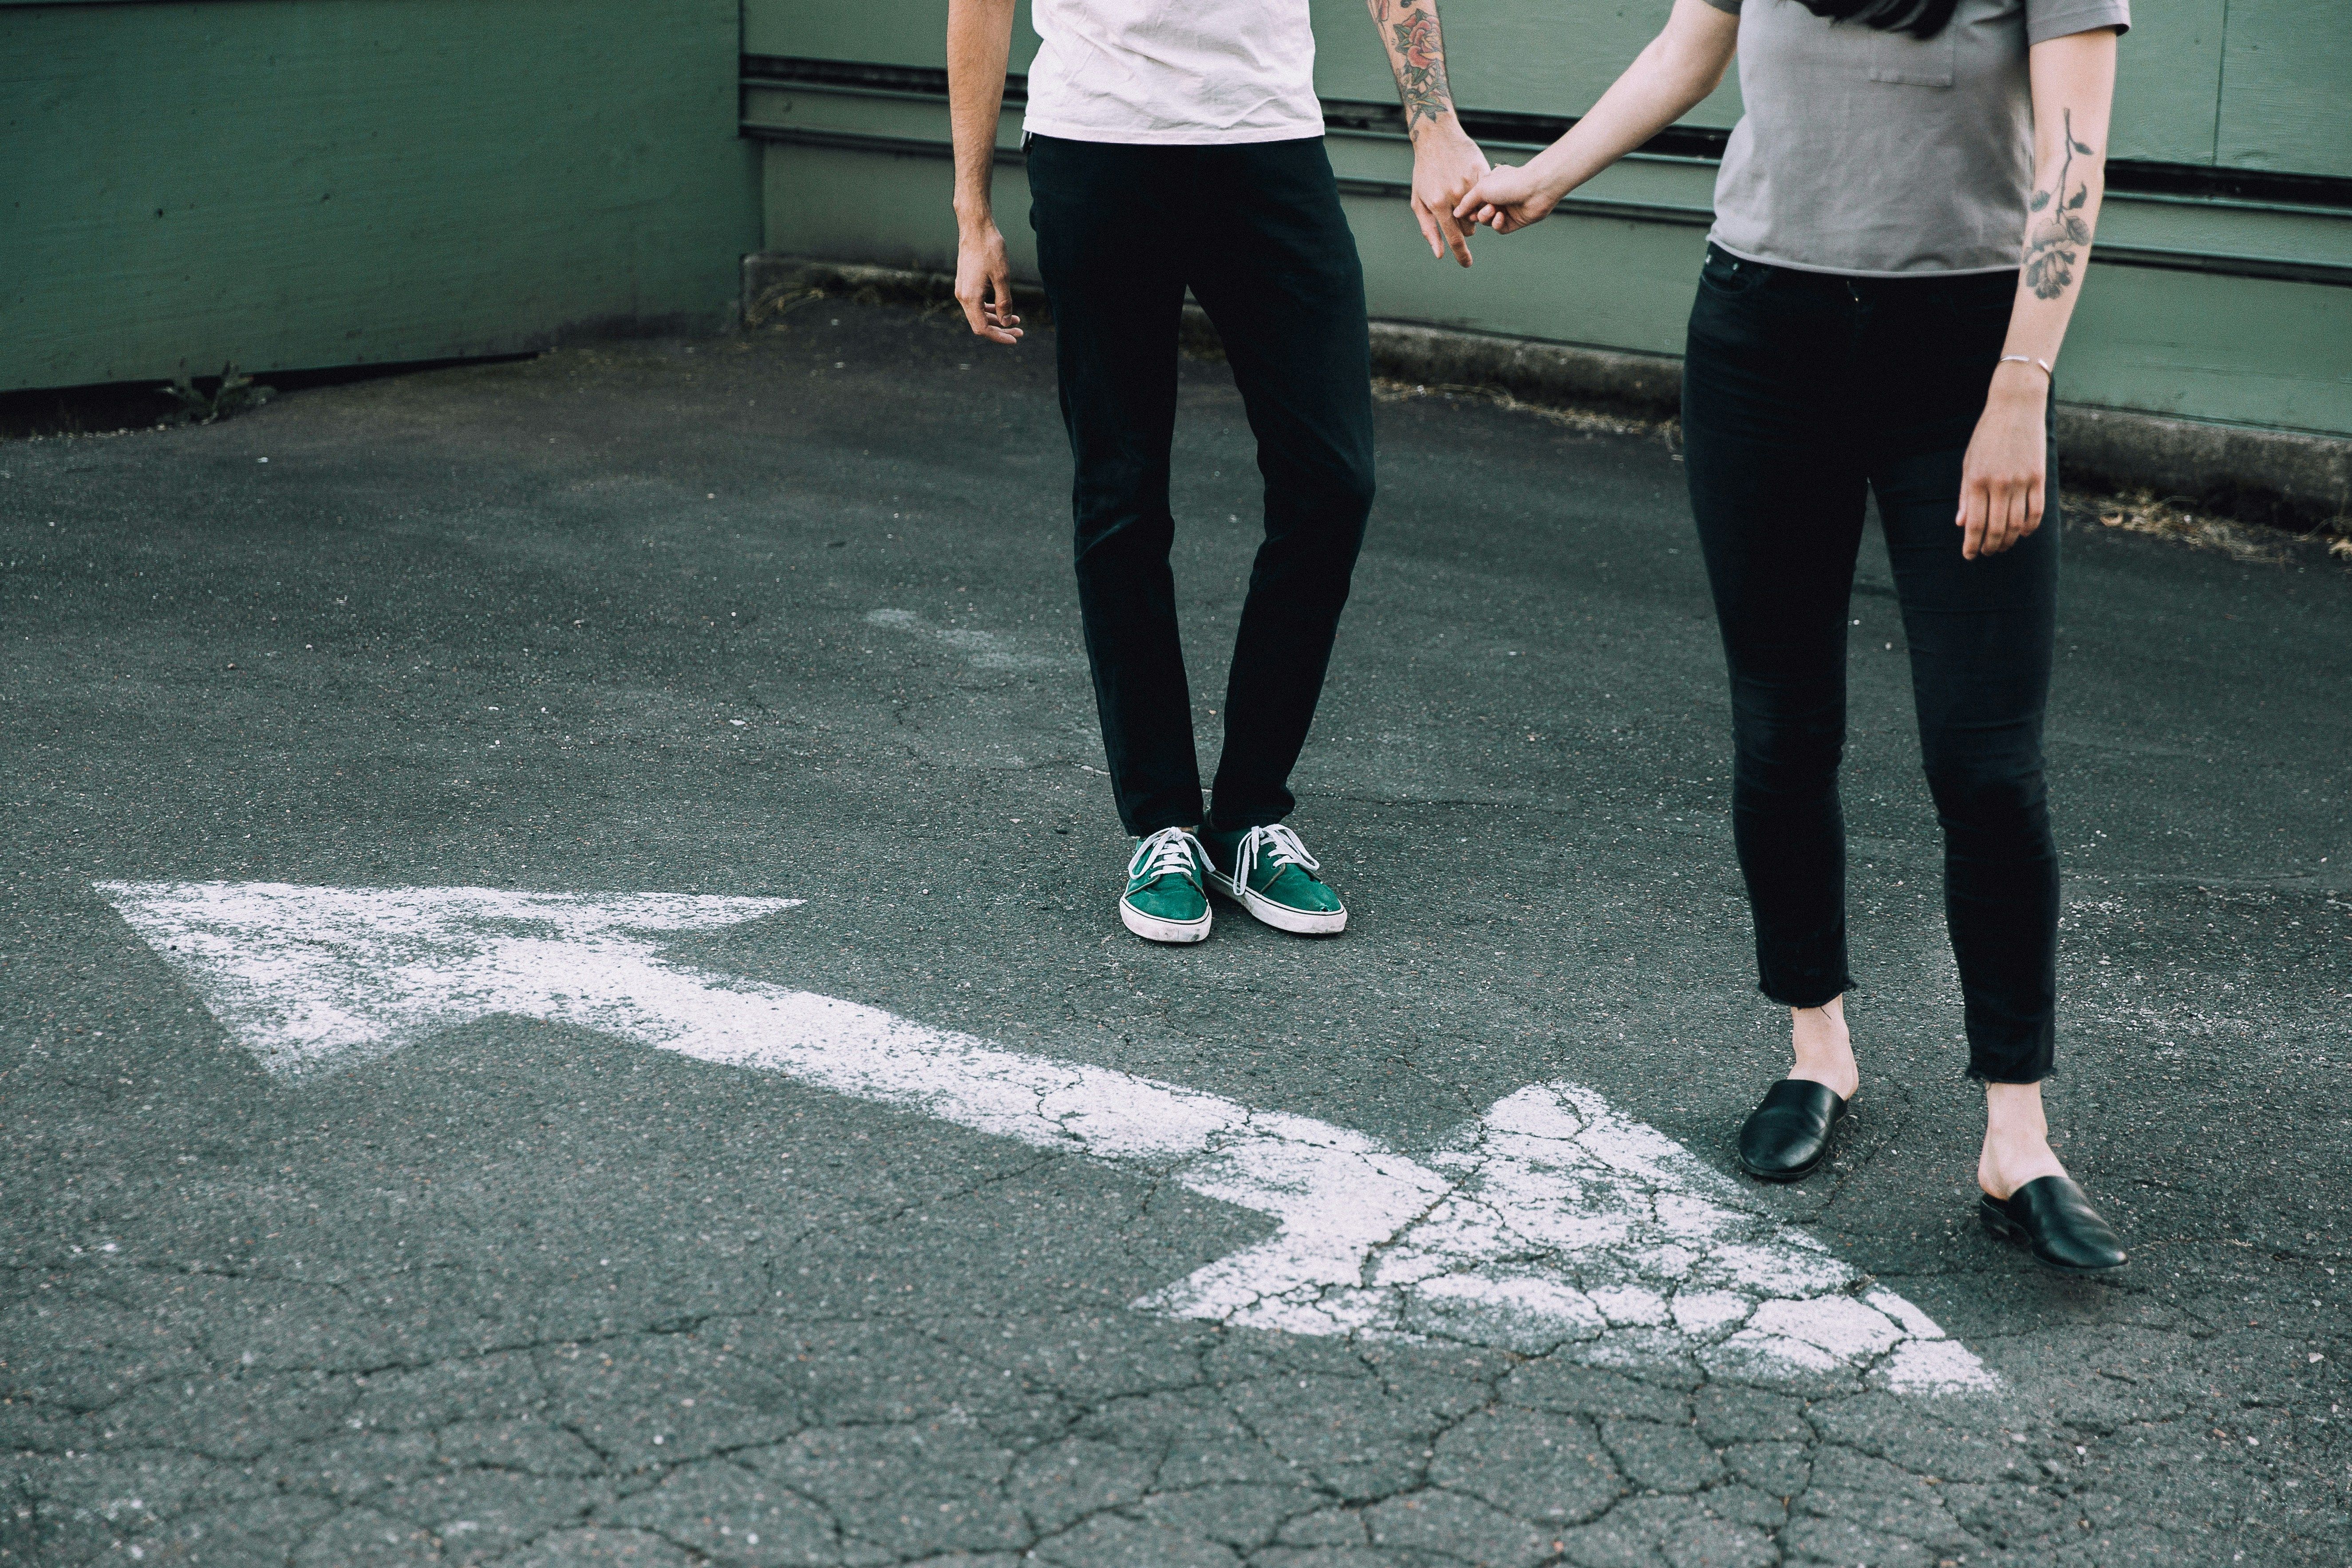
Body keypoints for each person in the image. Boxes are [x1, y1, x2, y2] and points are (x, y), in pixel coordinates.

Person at [1456, 0, 2129, 1273]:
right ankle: (1815, 1048)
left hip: (1966, 346)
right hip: (1763, 336)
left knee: (1985, 759)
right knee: (1781, 723)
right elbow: (1687, 44)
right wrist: (1545, 174)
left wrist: (2019, 387)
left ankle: (2016, 1135)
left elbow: (2073, 157)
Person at [945, 0, 1488, 943]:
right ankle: (1162, 822)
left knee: (1332, 480)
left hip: (1265, 140)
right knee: (1120, 495)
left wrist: (1434, 124)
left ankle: (1247, 818)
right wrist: (972, 209)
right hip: (1096, 143)